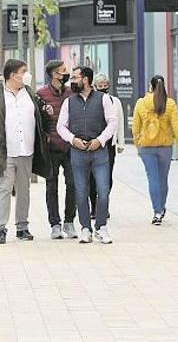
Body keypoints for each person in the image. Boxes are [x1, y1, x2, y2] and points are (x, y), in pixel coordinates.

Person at [0, 59, 50, 244]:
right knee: (4, 189)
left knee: (24, 189)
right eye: (24, 71)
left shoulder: (29, 92)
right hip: (4, 150)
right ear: (13, 75)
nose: (27, 74)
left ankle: (22, 227)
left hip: (26, 150)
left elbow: (36, 114)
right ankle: (0, 229)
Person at [56, 66, 118, 244]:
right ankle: (85, 228)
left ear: (86, 79)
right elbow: (61, 126)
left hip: (99, 152)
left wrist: (100, 140)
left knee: (103, 190)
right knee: (81, 192)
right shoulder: (69, 101)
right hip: (77, 152)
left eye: (75, 77)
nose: (72, 81)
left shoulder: (104, 99)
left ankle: (101, 227)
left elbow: (112, 123)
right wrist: (72, 139)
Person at [132, 75, 178, 226]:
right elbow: (177, 127)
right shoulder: (169, 104)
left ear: (150, 87)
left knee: (153, 179)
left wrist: (138, 144)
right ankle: (161, 207)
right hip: (165, 147)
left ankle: (157, 211)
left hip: (146, 147)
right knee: (163, 179)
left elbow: (135, 128)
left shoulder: (141, 103)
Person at [36, 60, 78, 239]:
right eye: (63, 71)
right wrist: (45, 115)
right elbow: (36, 120)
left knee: (73, 184)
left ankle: (69, 222)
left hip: (70, 147)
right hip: (51, 147)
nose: (66, 73)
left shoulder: (71, 93)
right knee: (51, 186)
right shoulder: (41, 94)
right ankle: (55, 224)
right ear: (54, 74)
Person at [90, 74, 127, 219]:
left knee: (107, 177)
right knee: (92, 177)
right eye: (100, 86)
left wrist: (121, 142)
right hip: (94, 143)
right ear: (95, 87)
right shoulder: (91, 101)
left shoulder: (115, 101)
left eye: (106, 85)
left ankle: (103, 205)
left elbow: (120, 122)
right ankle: (94, 206)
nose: (104, 87)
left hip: (109, 145)